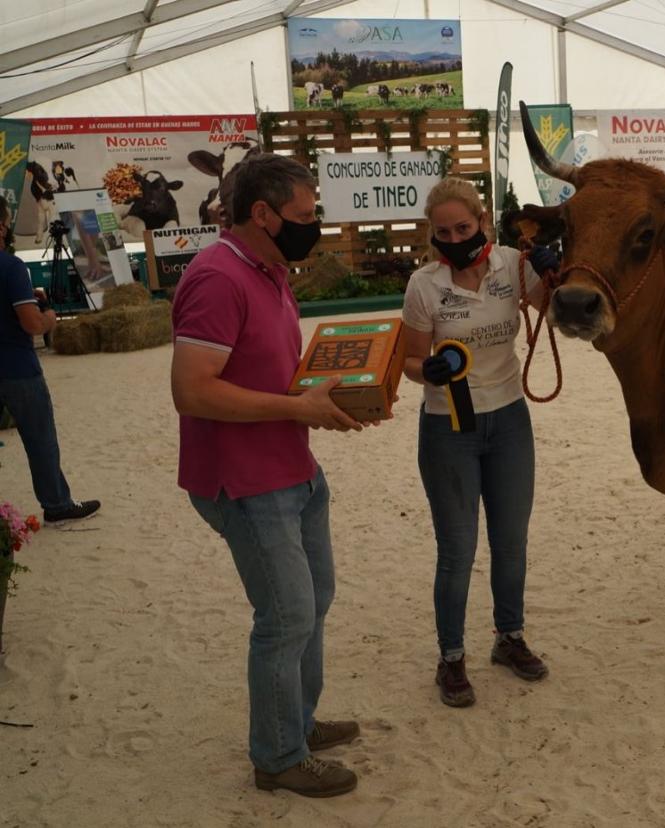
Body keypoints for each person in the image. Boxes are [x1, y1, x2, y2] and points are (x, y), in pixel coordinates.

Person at [170, 153, 367, 798]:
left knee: (314, 603)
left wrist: (334, 387)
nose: (314, 227)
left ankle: (298, 724)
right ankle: (277, 756)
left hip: (293, 466)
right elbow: (193, 392)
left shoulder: (270, 266)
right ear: (262, 213)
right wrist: (298, 407)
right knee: (285, 617)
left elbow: (267, 365)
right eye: (305, 217)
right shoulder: (217, 278)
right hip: (246, 483)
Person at [402, 177, 555, 708]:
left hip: (510, 418)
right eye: (443, 231)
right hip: (449, 428)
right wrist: (431, 370)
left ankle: (509, 639)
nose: (454, 237)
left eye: (463, 227)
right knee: (458, 549)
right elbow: (407, 362)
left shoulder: (513, 265)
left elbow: (555, 310)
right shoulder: (424, 284)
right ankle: (450, 658)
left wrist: (557, 268)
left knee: (511, 542)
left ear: (483, 221)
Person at [0, 195, 100, 525]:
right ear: (2, 227)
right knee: (40, 438)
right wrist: (50, 318)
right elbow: (30, 324)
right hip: (17, 369)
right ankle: (57, 505)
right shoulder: (11, 267)